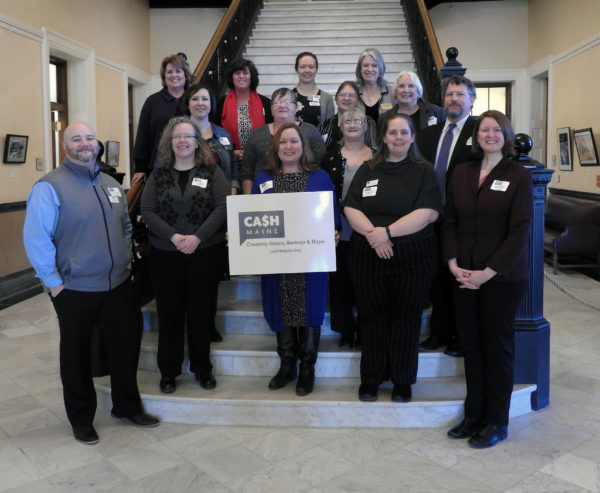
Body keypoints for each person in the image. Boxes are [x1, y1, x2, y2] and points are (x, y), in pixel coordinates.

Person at [23, 122, 159, 445]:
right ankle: (81, 417)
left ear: (97, 144)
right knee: (77, 356)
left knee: (126, 348)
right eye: (76, 139)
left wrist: (125, 259)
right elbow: (36, 239)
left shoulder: (111, 184)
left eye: (89, 138)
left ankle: (126, 406)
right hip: (74, 290)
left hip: (118, 286)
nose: (84, 143)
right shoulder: (49, 187)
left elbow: (125, 225)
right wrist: (54, 284)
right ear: (65, 146)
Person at [443, 110, 533, 448]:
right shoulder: (462, 172)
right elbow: (449, 220)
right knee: (471, 346)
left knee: (496, 348)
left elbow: (519, 231)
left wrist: (487, 273)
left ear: (506, 136)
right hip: (463, 274)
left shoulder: (519, 175)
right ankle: (473, 415)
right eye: (485, 129)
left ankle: (496, 421)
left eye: (497, 130)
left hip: (502, 277)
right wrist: (452, 263)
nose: (490, 134)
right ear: (476, 136)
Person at [343, 113, 441, 403]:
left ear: (412, 137)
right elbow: (351, 206)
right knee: (371, 318)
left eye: (404, 132)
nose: (398, 138)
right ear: (383, 137)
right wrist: (375, 236)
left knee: (406, 319)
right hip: (368, 256)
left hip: (413, 258)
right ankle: (371, 379)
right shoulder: (368, 168)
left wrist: (387, 233)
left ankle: (402, 380)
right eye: (392, 133)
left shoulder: (424, 171)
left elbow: (428, 213)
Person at [140, 117, 228, 395]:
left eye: (187, 137)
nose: (182, 141)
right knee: (170, 315)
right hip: (165, 254)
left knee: (201, 314)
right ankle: (169, 372)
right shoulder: (158, 174)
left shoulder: (213, 173)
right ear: (170, 142)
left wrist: (197, 237)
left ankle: (203, 369)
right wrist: (175, 238)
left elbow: (222, 207)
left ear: (196, 141)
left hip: (204, 253)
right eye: (176, 137)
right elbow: (148, 210)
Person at [252, 123, 340, 397]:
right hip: (277, 259)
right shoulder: (262, 179)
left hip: (310, 258)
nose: (289, 147)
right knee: (281, 306)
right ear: (275, 148)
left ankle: (307, 368)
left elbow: (332, 214)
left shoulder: (320, 177)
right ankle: (287, 364)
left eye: (294, 142)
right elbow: (252, 217)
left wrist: (333, 232)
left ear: (303, 146)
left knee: (309, 308)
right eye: (283, 142)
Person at [416, 75, 478, 357]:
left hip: (464, 221)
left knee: (460, 279)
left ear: (471, 100)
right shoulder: (429, 134)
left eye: (460, 94)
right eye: (450, 94)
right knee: (436, 279)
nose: (454, 99)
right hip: (431, 218)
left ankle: (459, 337)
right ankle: (438, 333)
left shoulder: (480, 133)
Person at [185, 82, 236, 343]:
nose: (200, 103)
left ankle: (208, 324)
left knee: (211, 276)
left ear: (211, 104)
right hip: (187, 215)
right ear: (189, 103)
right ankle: (190, 325)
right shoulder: (179, 132)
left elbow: (233, 170)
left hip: (217, 214)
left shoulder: (222, 135)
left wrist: (235, 194)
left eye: (205, 99)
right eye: (195, 99)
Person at [321, 107, 375, 349]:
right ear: (340, 126)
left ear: (365, 126)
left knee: (367, 284)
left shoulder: (377, 157)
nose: (352, 124)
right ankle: (345, 330)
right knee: (340, 283)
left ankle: (366, 330)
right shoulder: (329, 156)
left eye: (357, 121)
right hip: (338, 231)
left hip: (369, 231)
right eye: (347, 121)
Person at [241, 88, 325, 194]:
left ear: (296, 107)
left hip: (306, 195)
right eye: (277, 102)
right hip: (264, 198)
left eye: (287, 102)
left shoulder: (311, 132)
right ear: (271, 109)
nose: (282, 105)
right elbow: (247, 172)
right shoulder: (257, 134)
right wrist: (250, 202)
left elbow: (321, 163)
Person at [132, 54, 194, 183]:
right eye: (169, 72)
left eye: (178, 71)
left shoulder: (194, 99)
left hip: (192, 164)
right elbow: (143, 135)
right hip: (159, 166)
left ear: (185, 74)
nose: (174, 75)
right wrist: (140, 168)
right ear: (164, 76)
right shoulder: (152, 101)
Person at [216, 58, 273, 163]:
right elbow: (215, 133)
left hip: (260, 160)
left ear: (252, 77)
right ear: (231, 77)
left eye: (245, 73)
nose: (241, 76)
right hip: (231, 161)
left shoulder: (265, 102)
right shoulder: (221, 103)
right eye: (237, 73)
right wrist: (231, 152)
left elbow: (272, 132)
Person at [380, 70, 446, 133]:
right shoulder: (384, 119)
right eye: (401, 86)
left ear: (418, 91)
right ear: (395, 92)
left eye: (411, 86)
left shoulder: (437, 113)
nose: (406, 90)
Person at [318, 81, 378, 150]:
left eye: (351, 95)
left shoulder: (368, 122)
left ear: (358, 101)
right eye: (343, 95)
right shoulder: (324, 125)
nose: (346, 98)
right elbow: (319, 152)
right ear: (336, 99)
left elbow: (373, 150)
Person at [292, 51, 335, 126]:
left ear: (316, 69)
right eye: (303, 67)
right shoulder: (288, 97)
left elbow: (330, 129)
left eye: (311, 67)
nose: (307, 70)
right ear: (296, 69)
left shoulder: (327, 99)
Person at [355, 48, 395, 124]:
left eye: (374, 65)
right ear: (360, 69)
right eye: (365, 65)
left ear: (380, 69)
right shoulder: (353, 94)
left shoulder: (392, 93)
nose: (370, 69)